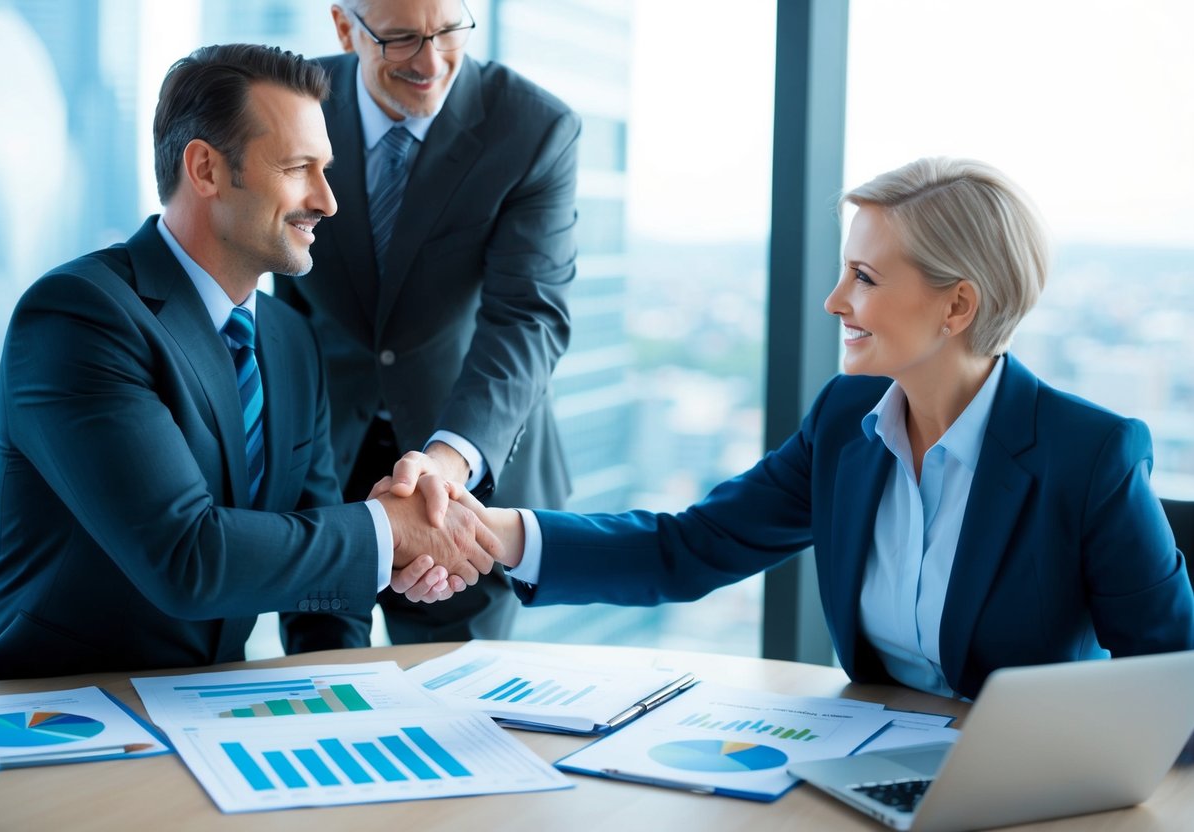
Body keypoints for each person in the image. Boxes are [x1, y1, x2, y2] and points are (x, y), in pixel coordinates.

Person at [393, 157, 1194, 700]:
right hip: (867, 770)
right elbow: (687, 548)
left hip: (1024, 795)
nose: (835, 299)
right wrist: (485, 530)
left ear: (957, 306)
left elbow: (1169, 685)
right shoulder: (847, 423)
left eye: (866, 277)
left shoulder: (1087, 455)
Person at [0, 43, 497, 682]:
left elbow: (318, 588)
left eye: (326, 168)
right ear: (205, 169)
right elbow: (186, 557)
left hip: (209, 717)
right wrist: (383, 532)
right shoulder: (78, 318)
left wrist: (350, 689)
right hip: (61, 717)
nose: (328, 200)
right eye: (298, 167)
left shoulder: (288, 339)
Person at [273, 0, 580, 650]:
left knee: (455, 702)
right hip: (324, 459)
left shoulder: (532, 127)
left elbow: (526, 316)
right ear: (343, 25)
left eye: (447, 32)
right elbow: (277, 293)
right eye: (402, 38)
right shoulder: (287, 105)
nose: (430, 60)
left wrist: (444, 467)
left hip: (465, 467)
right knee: (317, 686)